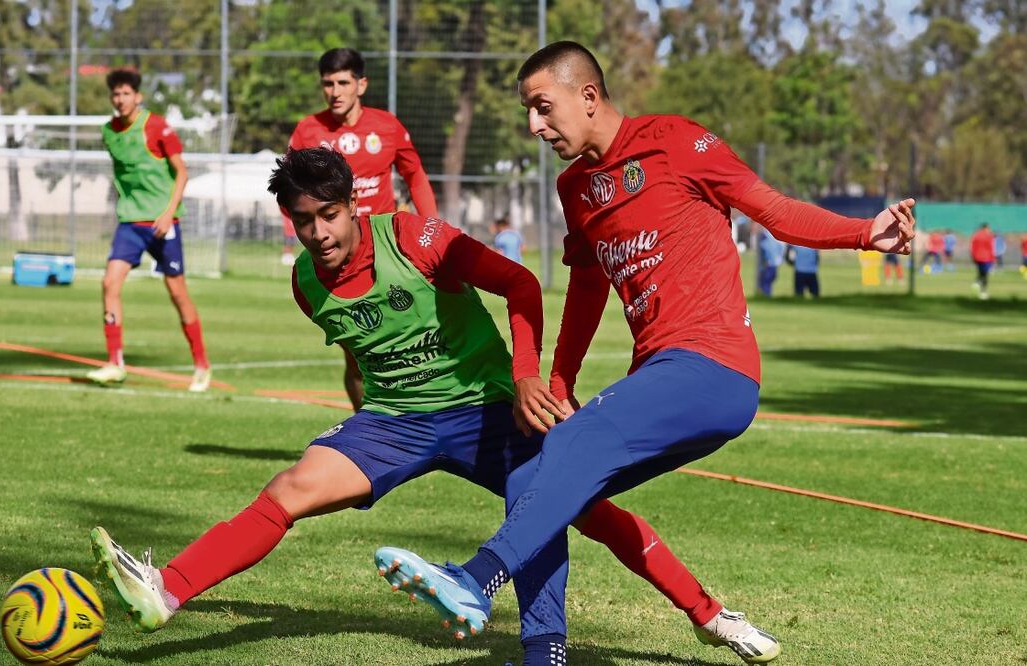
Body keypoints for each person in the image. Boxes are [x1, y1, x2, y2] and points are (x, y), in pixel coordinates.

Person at [91, 148, 744, 666]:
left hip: (487, 412)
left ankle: (696, 616)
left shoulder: (415, 238)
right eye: (302, 221)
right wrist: (356, 424)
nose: (317, 233)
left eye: (328, 215)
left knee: (573, 508)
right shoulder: (304, 282)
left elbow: (519, 283)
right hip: (394, 422)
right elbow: (355, 352)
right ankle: (166, 590)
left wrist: (524, 377)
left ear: (354, 206)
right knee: (288, 488)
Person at [374, 41, 916, 666]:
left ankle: (473, 581)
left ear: (588, 96)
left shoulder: (677, 141)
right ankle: (544, 652)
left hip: (715, 368)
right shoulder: (574, 186)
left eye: (543, 108)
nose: (534, 126)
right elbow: (585, 286)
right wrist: (559, 379)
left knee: (570, 453)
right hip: (660, 374)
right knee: (535, 478)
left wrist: (863, 234)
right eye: (528, 111)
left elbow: (772, 209)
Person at [86, 69, 211, 392]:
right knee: (109, 282)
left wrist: (169, 214)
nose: (120, 99)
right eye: (115, 94)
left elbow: (181, 173)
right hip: (130, 223)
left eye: (126, 93)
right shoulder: (108, 132)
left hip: (162, 224)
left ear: (137, 97)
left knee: (177, 293)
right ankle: (115, 363)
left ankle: (201, 365)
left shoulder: (157, 126)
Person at [280, 48, 438, 265]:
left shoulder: (387, 126)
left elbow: (415, 176)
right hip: (335, 247)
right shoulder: (308, 130)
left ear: (361, 85)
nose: (335, 92)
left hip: (384, 241)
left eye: (343, 83)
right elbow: (288, 190)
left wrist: (433, 227)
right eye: (328, 84)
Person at [970, 222, 995, 300]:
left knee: (981, 272)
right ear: (986, 228)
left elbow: (972, 247)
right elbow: (991, 248)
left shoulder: (976, 235)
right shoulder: (989, 236)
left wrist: (973, 256)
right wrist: (992, 259)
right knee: (985, 275)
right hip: (986, 257)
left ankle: (976, 283)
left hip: (977, 257)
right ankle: (983, 292)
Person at [756, 228, 783, 296]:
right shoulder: (772, 236)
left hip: (769, 263)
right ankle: (766, 295)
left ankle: (766, 296)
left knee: (766, 281)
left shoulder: (766, 236)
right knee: (768, 281)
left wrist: (768, 259)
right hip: (773, 262)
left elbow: (766, 248)